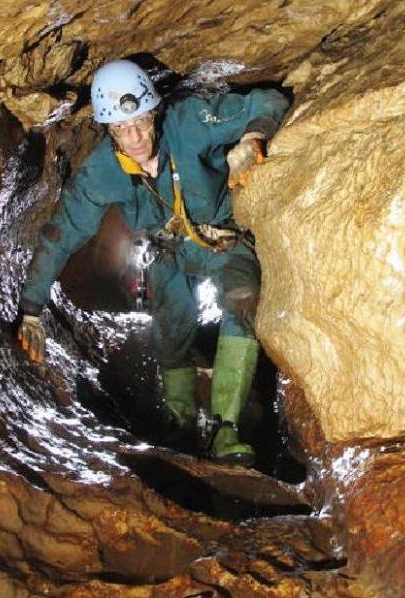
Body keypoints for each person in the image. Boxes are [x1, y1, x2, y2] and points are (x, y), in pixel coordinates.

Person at [18, 59, 289, 466]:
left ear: (154, 113)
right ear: (109, 131)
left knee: (242, 297)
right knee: (172, 323)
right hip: (164, 250)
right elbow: (61, 235)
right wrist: (32, 310)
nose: (136, 137)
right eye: (123, 130)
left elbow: (268, 100)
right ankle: (179, 420)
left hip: (217, 239)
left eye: (141, 122)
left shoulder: (188, 123)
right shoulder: (100, 174)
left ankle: (224, 429)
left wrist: (252, 138)